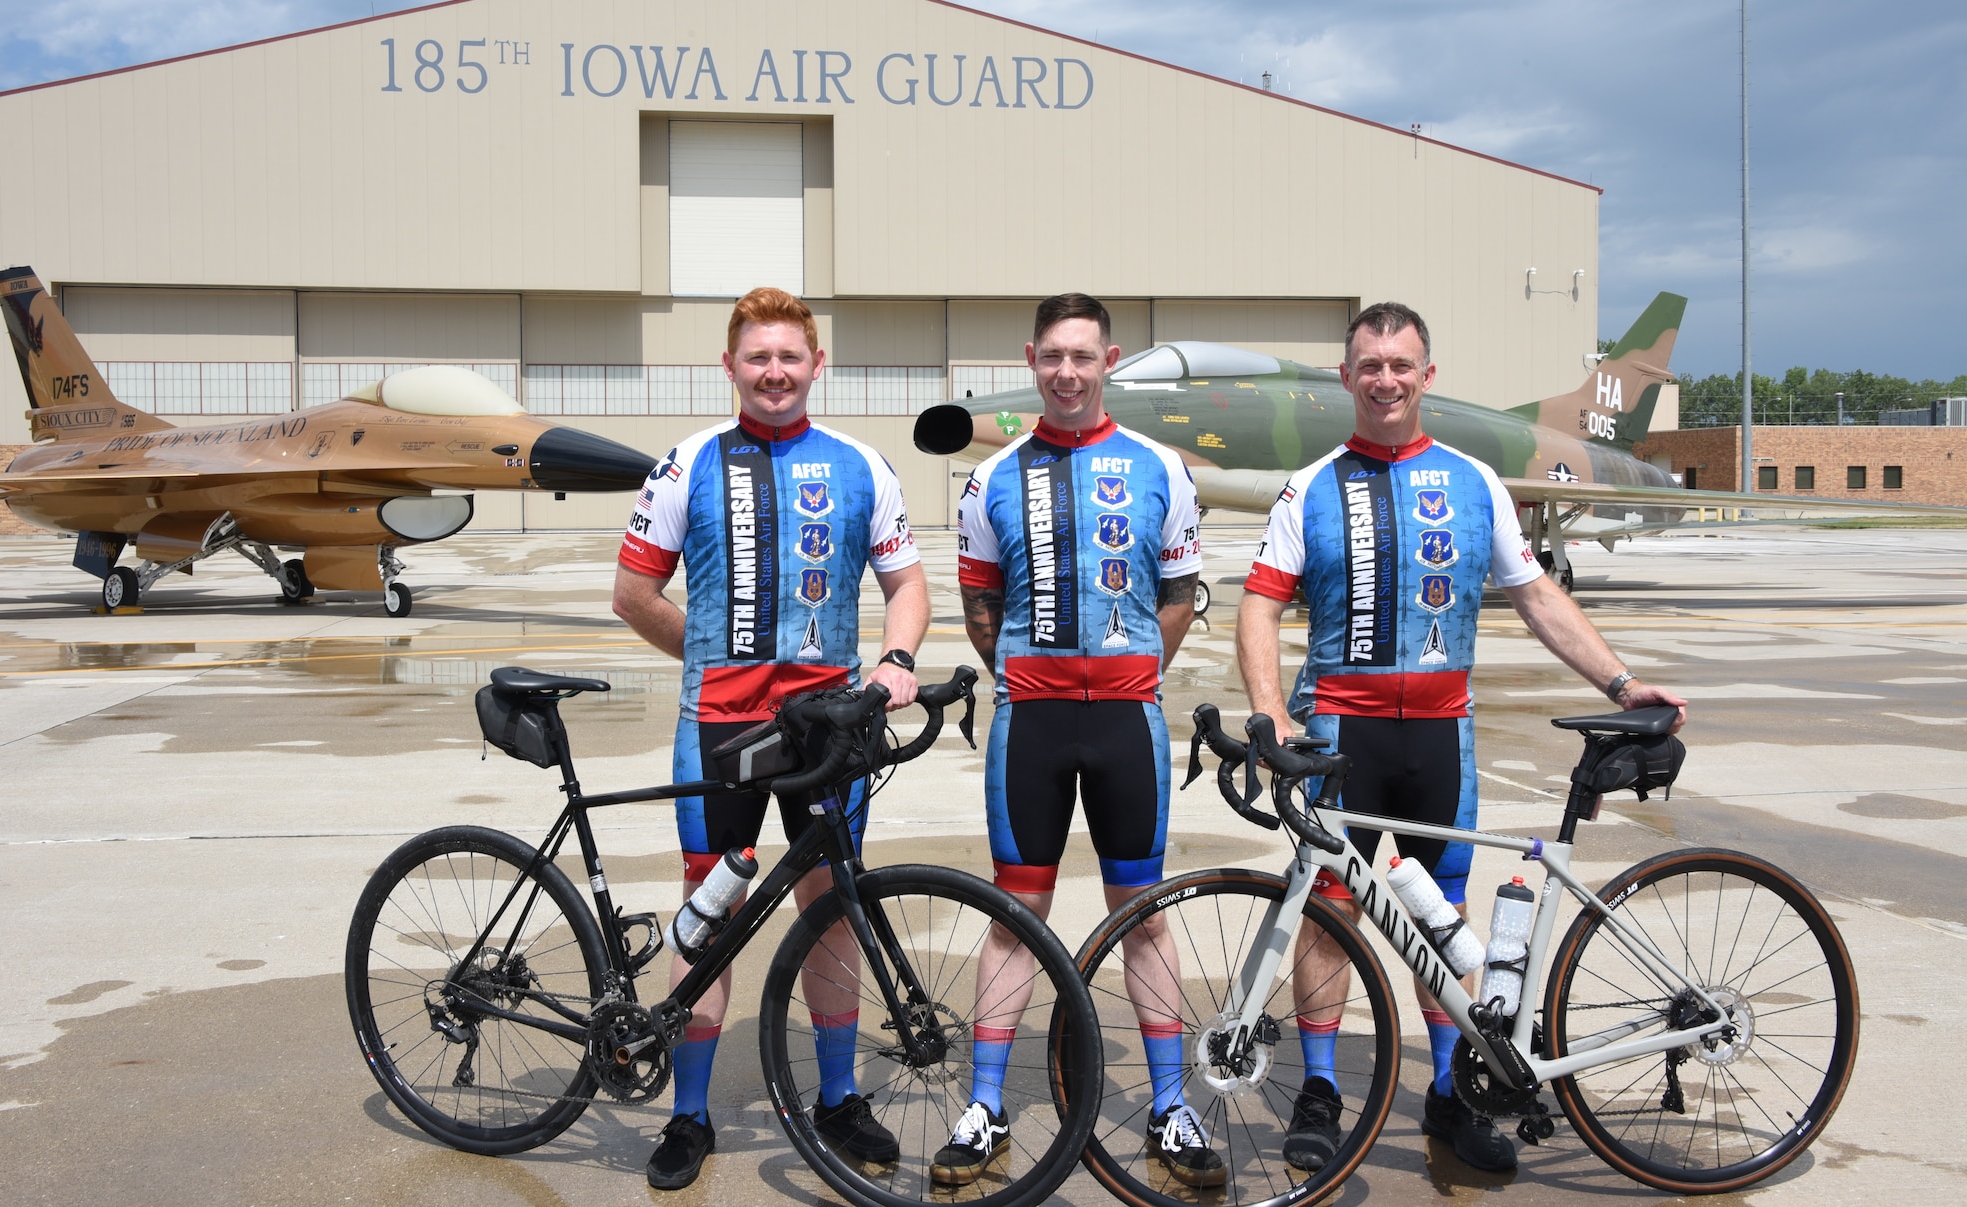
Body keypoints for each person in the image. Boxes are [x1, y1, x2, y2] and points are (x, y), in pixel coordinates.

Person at [1234, 301, 1686, 1176]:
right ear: (1348, 377)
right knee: (1331, 915)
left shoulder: (1475, 480)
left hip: (1441, 737)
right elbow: (1259, 603)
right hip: (1340, 732)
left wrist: (1623, 683)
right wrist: (1271, 712)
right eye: (1370, 364)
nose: (1386, 378)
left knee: (1445, 921)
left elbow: (1538, 595)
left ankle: (1452, 1091)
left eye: (1402, 364)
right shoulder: (1312, 484)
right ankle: (1322, 1088)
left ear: (1426, 375)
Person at [612, 286, 931, 1190]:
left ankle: (836, 1098)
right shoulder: (688, 462)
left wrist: (896, 659)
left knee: (834, 909)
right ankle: (688, 1112)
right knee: (704, 918)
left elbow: (909, 584)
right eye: (758, 357)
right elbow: (633, 594)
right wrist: (711, 657)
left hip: (828, 731)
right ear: (730, 366)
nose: (776, 371)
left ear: (816, 364)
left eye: (790, 355)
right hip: (718, 728)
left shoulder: (860, 463)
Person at [941, 293, 1219, 1187]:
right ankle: (986, 1106)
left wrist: (1127, 671)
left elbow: (1179, 595)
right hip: (1032, 718)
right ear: (1032, 358)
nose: (1067, 372)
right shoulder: (992, 478)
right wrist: (1035, 674)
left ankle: (1171, 1107)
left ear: (1110, 360)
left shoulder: (1161, 469)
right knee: (1015, 916)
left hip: (1126, 721)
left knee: (1141, 917)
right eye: (1053, 356)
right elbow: (980, 601)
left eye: (1083, 356)